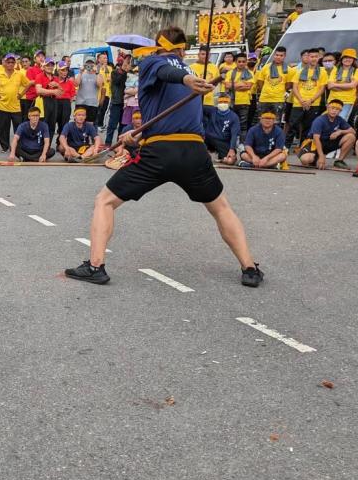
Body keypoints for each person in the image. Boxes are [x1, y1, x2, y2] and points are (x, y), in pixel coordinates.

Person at [65, 27, 263, 288]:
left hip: (161, 151)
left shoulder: (153, 63)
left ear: (161, 47)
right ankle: (249, 267)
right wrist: (136, 135)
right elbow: (171, 95)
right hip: (194, 152)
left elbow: (165, 72)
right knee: (221, 208)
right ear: (182, 50)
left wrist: (183, 80)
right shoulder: (193, 72)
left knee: (104, 201)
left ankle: (95, 266)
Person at [286, 49, 328, 149]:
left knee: (308, 127)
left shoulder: (322, 72)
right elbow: (295, 87)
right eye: (311, 56)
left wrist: (310, 100)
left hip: (313, 104)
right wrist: (301, 100)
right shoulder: (299, 71)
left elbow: (322, 89)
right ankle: (286, 147)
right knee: (292, 125)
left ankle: (303, 147)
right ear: (307, 58)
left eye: (315, 56)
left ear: (319, 58)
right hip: (298, 103)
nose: (313, 59)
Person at [298, 99, 356, 169]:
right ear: (327, 108)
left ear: (340, 111)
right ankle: (317, 158)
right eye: (332, 108)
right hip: (314, 143)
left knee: (351, 137)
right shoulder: (319, 120)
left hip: (328, 142)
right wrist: (321, 155)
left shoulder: (339, 119)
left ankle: (339, 161)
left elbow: (353, 131)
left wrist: (340, 132)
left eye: (337, 109)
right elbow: (316, 139)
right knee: (306, 160)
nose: (334, 111)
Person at [0, 54, 31, 151]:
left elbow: (28, 84)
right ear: (4, 63)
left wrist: (21, 94)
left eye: (12, 62)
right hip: (2, 106)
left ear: (15, 63)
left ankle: (17, 146)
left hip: (16, 106)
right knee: (3, 128)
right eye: (8, 62)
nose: (10, 64)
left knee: (18, 128)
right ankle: (5, 147)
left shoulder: (19, 74)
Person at [254, 46, 291, 124]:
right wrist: (266, 90)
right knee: (261, 122)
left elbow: (288, 85)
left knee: (276, 123)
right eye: (277, 55)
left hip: (278, 100)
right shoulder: (266, 67)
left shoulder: (288, 70)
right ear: (274, 55)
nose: (278, 57)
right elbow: (260, 82)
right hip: (264, 99)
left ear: (284, 56)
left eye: (281, 55)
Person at [203, 94, 241, 165]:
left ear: (229, 103)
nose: (223, 104)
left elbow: (234, 135)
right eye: (221, 102)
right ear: (217, 103)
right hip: (208, 138)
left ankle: (221, 158)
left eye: (225, 102)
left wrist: (232, 149)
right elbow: (198, 107)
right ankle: (204, 152)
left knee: (230, 161)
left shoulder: (234, 117)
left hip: (223, 141)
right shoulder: (212, 110)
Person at [328, 48, 358, 122]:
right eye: (345, 57)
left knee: (341, 121)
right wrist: (347, 86)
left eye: (350, 58)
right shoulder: (335, 69)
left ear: (353, 60)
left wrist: (335, 85)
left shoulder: (357, 70)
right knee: (330, 120)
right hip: (333, 100)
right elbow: (330, 86)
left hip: (347, 101)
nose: (347, 59)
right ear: (342, 59)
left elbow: (353, 85)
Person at [223, 52, 254, 131]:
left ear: (246, 62)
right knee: (230, 123)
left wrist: (233, 85)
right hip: (232, 101)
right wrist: (241, 84)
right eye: (239, 61)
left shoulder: (250, 73)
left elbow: (248, 86)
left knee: (243, 124)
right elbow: (226, 86)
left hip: (244, 102)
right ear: (235, 62)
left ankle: (242, 141)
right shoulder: (230, 73)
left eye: (243, 62)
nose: (241, 63)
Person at [105, 52, 131, 141]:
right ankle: (108, 143)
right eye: (127, 61)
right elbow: (117, 81)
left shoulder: (132, 73)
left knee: (123, 125)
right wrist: (124, 71)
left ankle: (118, 143)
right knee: (112, 124)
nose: (128, 64)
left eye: (129, 62)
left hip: (127, 103)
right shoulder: (115, 72)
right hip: (117, 102)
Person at [74, 58, 103, 124]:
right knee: (79, 123)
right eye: (87, 63)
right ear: (84, 64)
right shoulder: (80, 74)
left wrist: (97, 72)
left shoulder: (98, 75)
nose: (89, 65)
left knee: (89, 125)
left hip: (92, 104)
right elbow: (76, 84)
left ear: (94, 64)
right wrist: (81, 72)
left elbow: (99, 84)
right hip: (80, 103)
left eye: (91, 64)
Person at [53, 61, 77, 138]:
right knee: (51, 123)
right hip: (54, 102)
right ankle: (47, 145)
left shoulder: (69, 82)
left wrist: (68, 102)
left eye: (66, 70)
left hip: (65, 104)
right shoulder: (53, 80)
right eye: (62, 70)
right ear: (58, 70)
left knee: (63, 125)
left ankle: (60, 143)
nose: (65, 72)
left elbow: (73, 94)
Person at [22, 50, 45, 121]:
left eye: (42, 56)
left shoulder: (46, 70)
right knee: (29, 120)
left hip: (43, 99)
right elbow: (31, 82)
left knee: (41, 120)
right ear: (34, 59)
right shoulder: (30, 70)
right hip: (32, 99)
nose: (41, 58)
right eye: (38, 56)